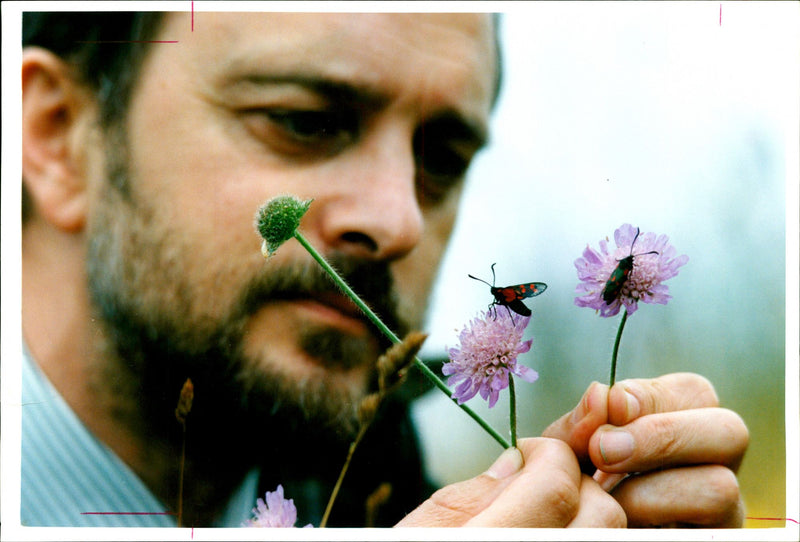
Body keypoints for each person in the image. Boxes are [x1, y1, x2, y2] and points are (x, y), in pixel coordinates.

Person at [20, 11, 748, 528]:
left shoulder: (395, 496)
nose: (399, 220)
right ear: (57, 136)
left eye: (441, 160)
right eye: (304, 120)